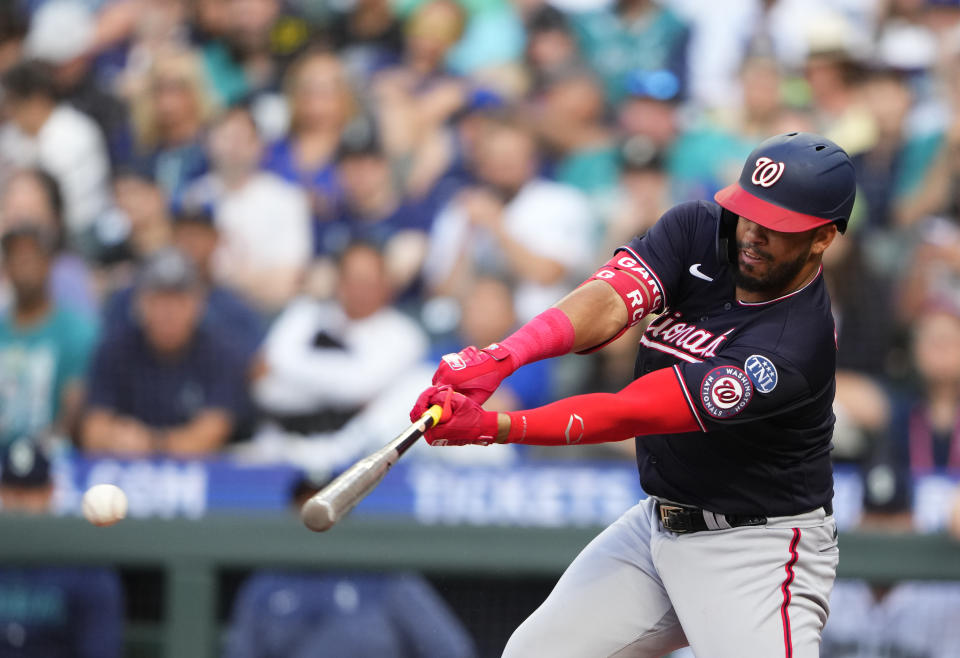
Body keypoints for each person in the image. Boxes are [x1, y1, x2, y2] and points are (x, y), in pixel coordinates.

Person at [411, 132, 854, 656]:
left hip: (757, 549)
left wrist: (495, 427)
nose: (751, 233)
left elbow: (631, 411)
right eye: (748, 211)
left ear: (822, 237)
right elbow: (608, 301)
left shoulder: (792, 346)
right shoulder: (699, 228)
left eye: (775, 226)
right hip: (658, 523)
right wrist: (502, 357)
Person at [81, 247, 249, 456]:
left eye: (178, 299)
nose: (169, 311)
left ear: (198, 304)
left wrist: (152, 442)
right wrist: (117, 438)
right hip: (128, 472)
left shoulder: (220, 351)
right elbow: (93, 430)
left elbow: (212, 434)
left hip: (204, 479)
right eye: (159, 299)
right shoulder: (116, 348)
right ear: (140, 303)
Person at [821, 455, 960, 657]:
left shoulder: (939, 595)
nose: (882, 530)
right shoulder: (829, 580)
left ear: (913, 522)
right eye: (874, 519)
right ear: (859, 519)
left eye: (893, 520)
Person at [0, 439, 123, 658]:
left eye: (31, 492)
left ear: (50, 491)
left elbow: (100, 649)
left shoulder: (83, 565)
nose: (20, 503)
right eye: (13, 491)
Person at [184, 103, 312, 314]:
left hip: (269, 315)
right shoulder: (193, 198)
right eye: (226, 137)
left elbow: (285, 285)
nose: (234, 146)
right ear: (208, 142)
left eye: (242, 139)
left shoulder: (286, 199)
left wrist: (220, 279)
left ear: (259, 146)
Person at [0, 224, 97, 449]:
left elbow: (74, 412)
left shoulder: (78, 332)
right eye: (16, 257)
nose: (23, 265)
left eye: (31, 257)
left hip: (54, 461)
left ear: (48, 263)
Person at [0, 59, 111, 250]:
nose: (8, 111)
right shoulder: (10, 136)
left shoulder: (76, 132)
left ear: (37, 99)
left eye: (13, 102)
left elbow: (70, 205)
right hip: (24, 229)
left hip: (81, 231)